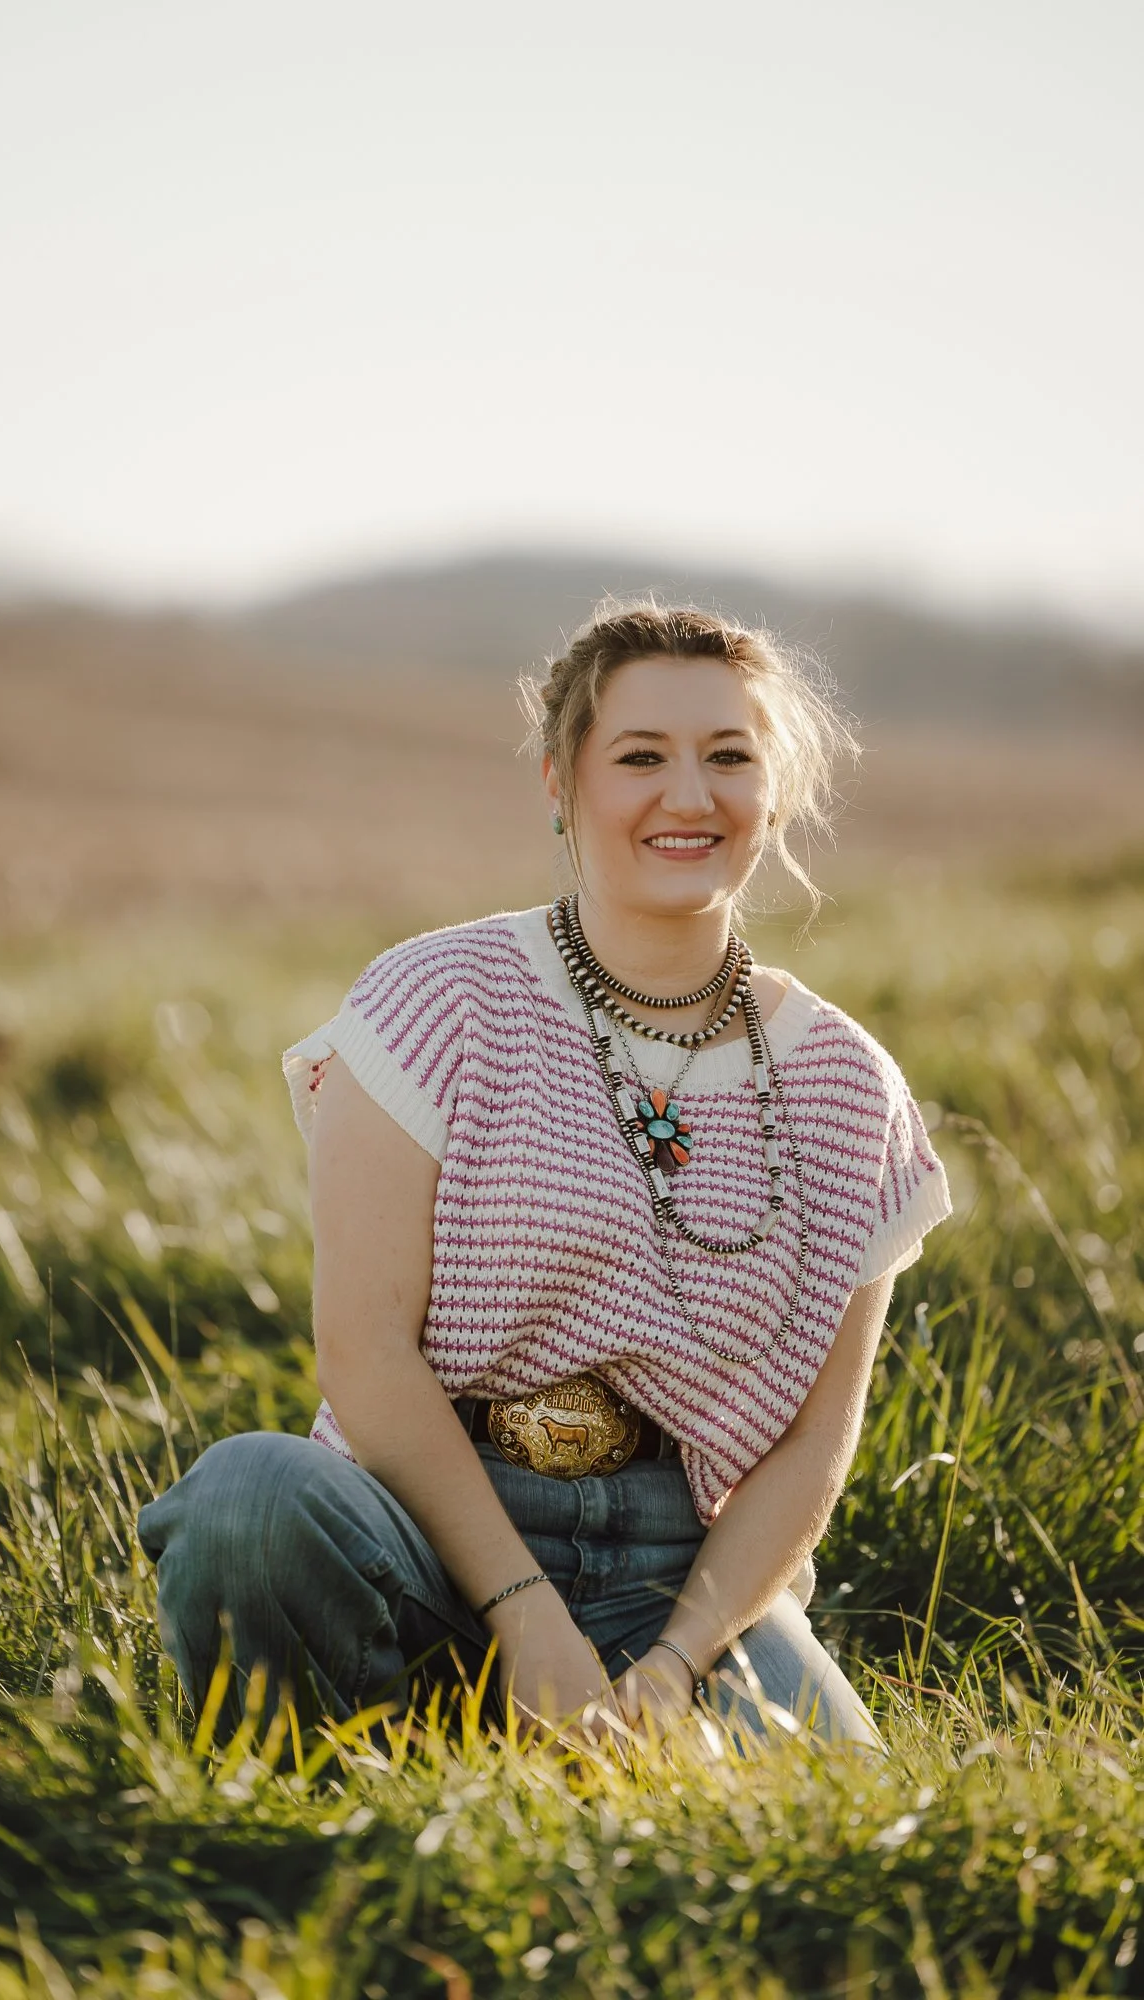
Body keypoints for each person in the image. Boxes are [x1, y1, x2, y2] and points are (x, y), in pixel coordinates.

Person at [137, 602, 951, 1750]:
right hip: (422, 1522)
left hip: (681, 1574)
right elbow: (365, 1352)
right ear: (560, 782)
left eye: (729, 757)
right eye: (639, 757)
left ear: (774, 792)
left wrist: (673, 1663)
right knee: (246, 1506)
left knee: (834, 1792)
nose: (688, 795)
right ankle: (337, 1788)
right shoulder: (433, 1003)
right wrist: (525, 1616)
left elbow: (815, 1446)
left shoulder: (849, 1088)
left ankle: (596, 1756)